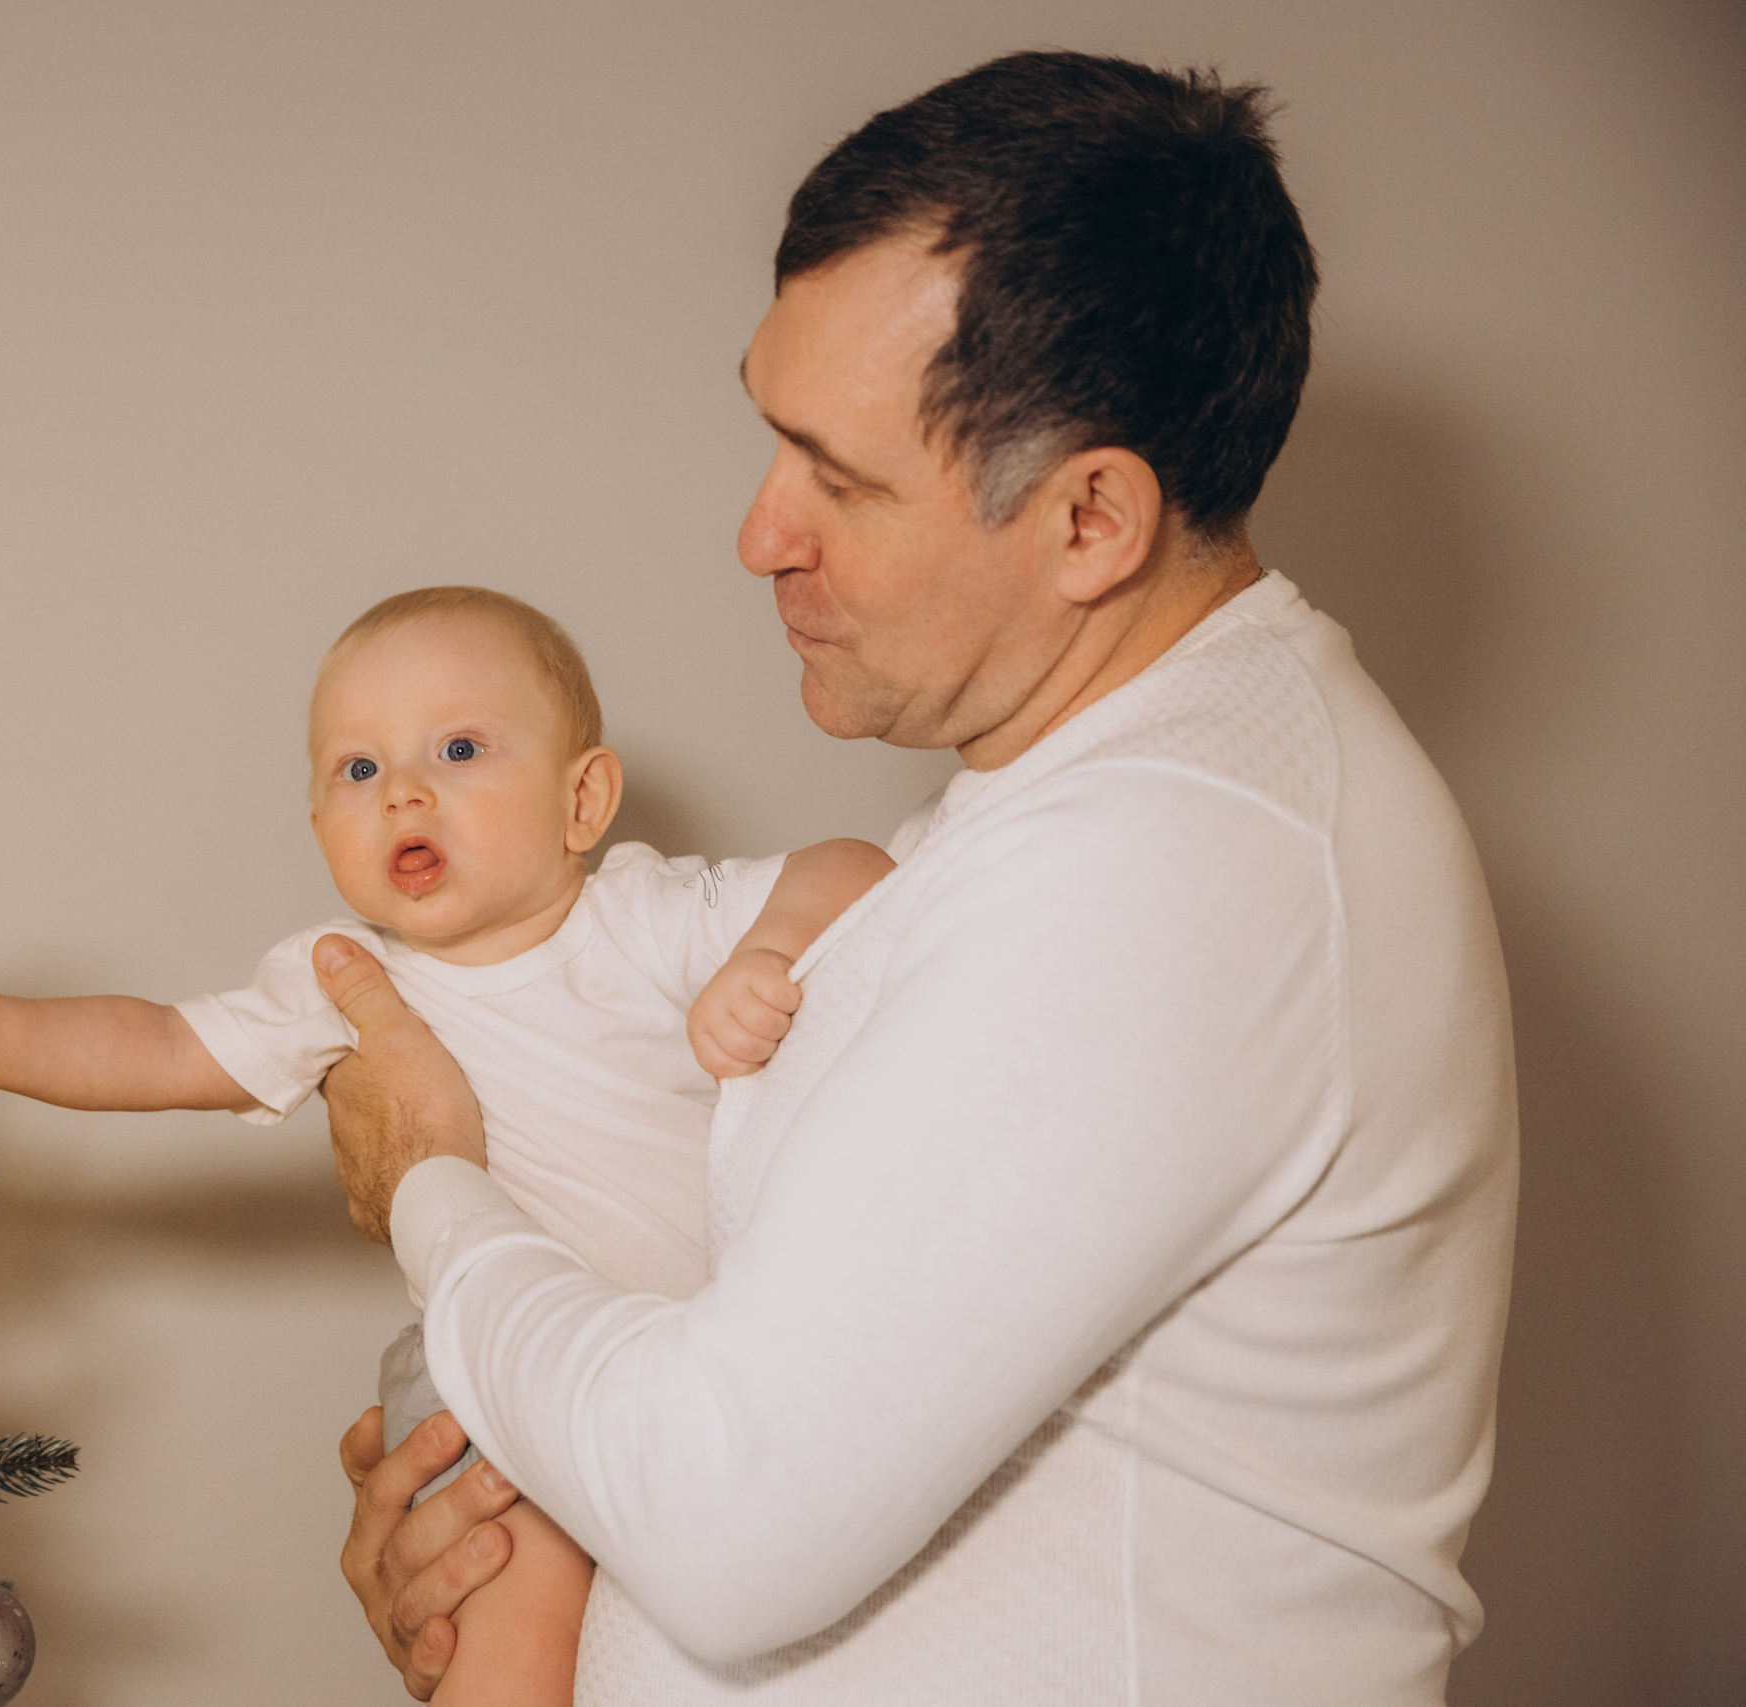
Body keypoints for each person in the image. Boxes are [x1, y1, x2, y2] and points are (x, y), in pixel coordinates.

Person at [320, 50, 1518, 1707]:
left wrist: (435, 1191)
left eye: (840, 474)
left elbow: (726, 1524)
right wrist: (501, 1564)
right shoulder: (1063, 804)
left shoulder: (1180, 865)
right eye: (770, 436)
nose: (760, 532)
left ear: (1092, 520)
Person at [0, 585, 891, 1705]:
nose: (406, 792)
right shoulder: (342, 979)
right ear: (318, 825)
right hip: (481, 1380)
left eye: (460, 748)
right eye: (359, 770)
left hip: (698, 1343)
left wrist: (761, 958)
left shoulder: (645, 916)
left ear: (583, 799)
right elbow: (162, 1044)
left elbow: (850, 870)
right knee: (504, 1602)